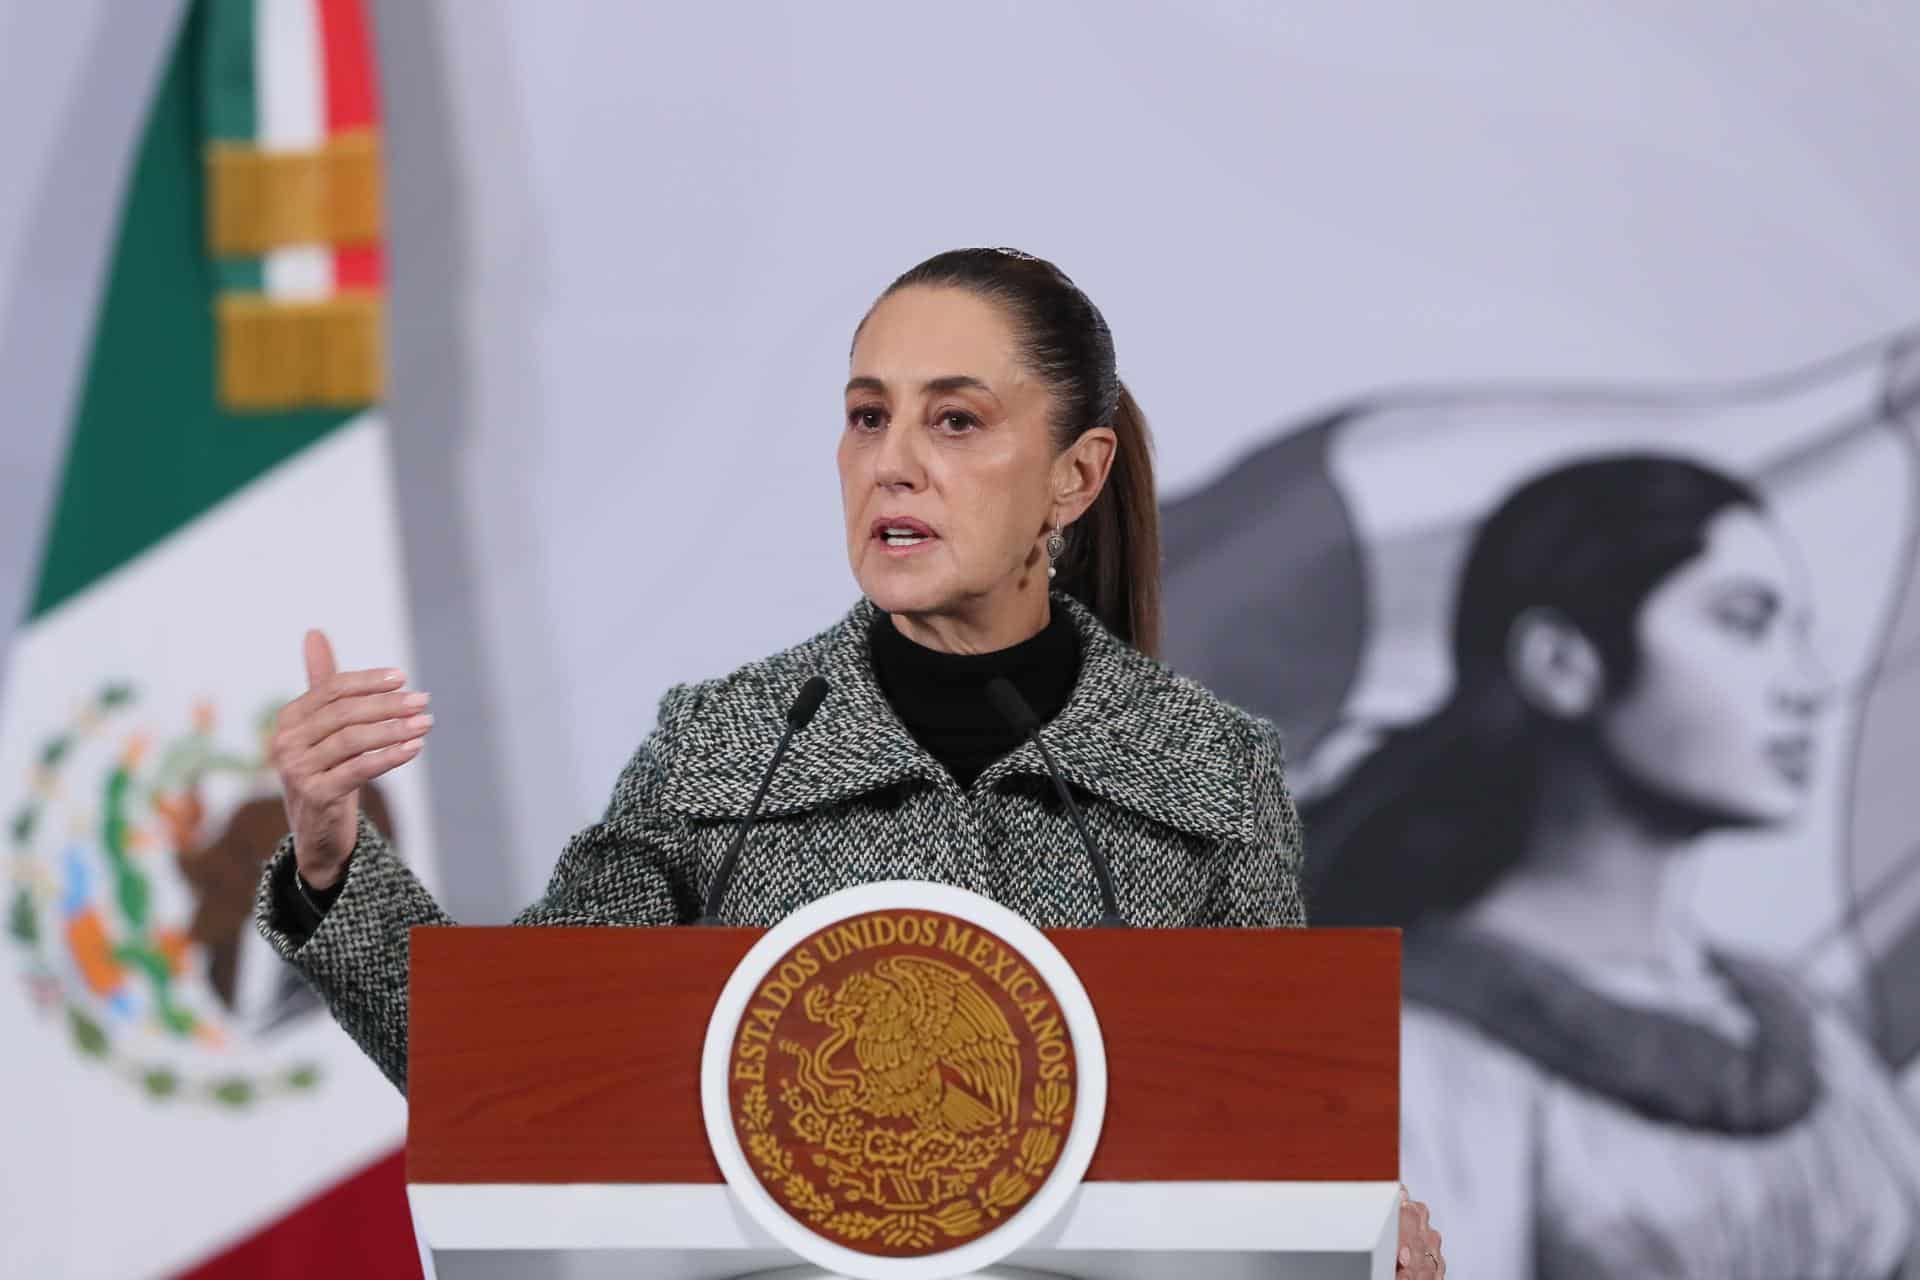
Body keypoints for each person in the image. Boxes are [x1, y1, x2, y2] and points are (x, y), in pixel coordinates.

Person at [253, 247, 1448, 1276]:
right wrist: (331, 856)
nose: (893, 461)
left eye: (957, 419)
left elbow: (1271, 1144)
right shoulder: (725, 746)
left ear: (1073, 477)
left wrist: (1354, 1232)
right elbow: (513, 1076)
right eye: (868, 414)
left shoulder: (1208, 767)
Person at [1304, 455, 1920, 1278]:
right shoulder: (1413, 1049)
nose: (1806, 684)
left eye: (1799, 632)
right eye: (1745, 621)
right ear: (1564, 663)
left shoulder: (1809, 1037)